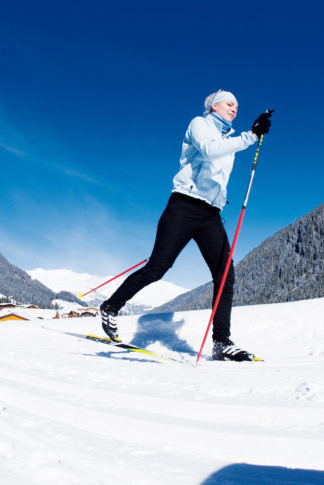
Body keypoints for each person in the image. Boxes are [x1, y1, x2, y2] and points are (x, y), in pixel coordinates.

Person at [99, 90, 271, 361]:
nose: (234, 109)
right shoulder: (199, 124)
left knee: (225, 275)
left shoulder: (229, 139)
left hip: (210, 214)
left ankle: (221, 342)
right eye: (229, 103)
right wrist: (250, 137)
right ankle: (111, 307)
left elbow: (219, 171)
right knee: (157, 268)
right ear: (214, 106)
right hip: (184, 206)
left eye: (237, 106)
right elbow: (209, 151)